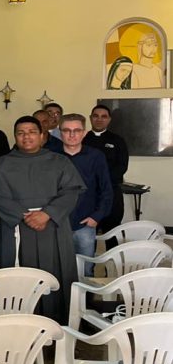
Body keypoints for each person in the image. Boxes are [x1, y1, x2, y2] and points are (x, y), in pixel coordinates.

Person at [0, 115, 85, 322]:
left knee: (54, 272)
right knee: (17, 277)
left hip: (52, 228)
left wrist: (47, 213)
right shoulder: (2, 163)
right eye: (21, 133)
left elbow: (71, 191)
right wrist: (24, 215)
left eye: (32, 132)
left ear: (42, 135)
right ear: (15, 136)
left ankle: (55, 323)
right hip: (16, 228)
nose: (26, 137)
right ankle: (15, 322)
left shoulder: (59, 161)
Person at [59, 114, 112, 274]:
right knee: (58, 269)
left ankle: (85, 293)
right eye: (67, 130)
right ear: (60, 132)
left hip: (85, 223)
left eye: (77, 130)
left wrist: (96, 217)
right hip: (57, 223)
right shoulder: (51, 156)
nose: (72, 135)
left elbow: (106, 190)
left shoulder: (96, 156)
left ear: (84, 132)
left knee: (86, 270)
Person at [84, 104, 129, 234]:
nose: (99, 119)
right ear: (90, 118)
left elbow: (122, 166)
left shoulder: (118, 140)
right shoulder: (82, 139)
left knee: (112, 229)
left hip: (111, 191)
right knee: (88, 231)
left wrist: (103, 181)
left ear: (109, 119)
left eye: (104, 116)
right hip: (88, 192)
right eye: (96, 116)